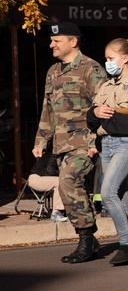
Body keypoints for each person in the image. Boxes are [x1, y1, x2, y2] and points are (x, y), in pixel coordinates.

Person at [33, 22, 107, 263]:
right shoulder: (53, 71)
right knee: (73, 188)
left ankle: (87, 238)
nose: (51, 44)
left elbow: (103, 107)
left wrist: (96, 140)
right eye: (52, 41)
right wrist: (41, 140)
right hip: (62, 144)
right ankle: (91, 239)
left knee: (67, 182)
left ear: (73, 42)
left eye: (57, 41)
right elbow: (48, 109)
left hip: (85, 142)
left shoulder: (91, 69)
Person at [87, 38, 128, 266]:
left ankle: (126, 244)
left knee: (107, 193)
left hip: (125, 143)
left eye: (111, 58)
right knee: (120, 197)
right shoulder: (106, 85)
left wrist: (104, 118)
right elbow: (91, 117)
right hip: (106, 144)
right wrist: (96, 114)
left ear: (125, 58)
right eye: (106, 58)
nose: (107, 62)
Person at [27, 151, 67, 222]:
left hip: (38, 178)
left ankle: (62, 211)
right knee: (60, 181)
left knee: (62, 181)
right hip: (36, 179)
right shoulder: (53, 155)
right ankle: (56, 213)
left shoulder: (54, 154)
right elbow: (50, 171)